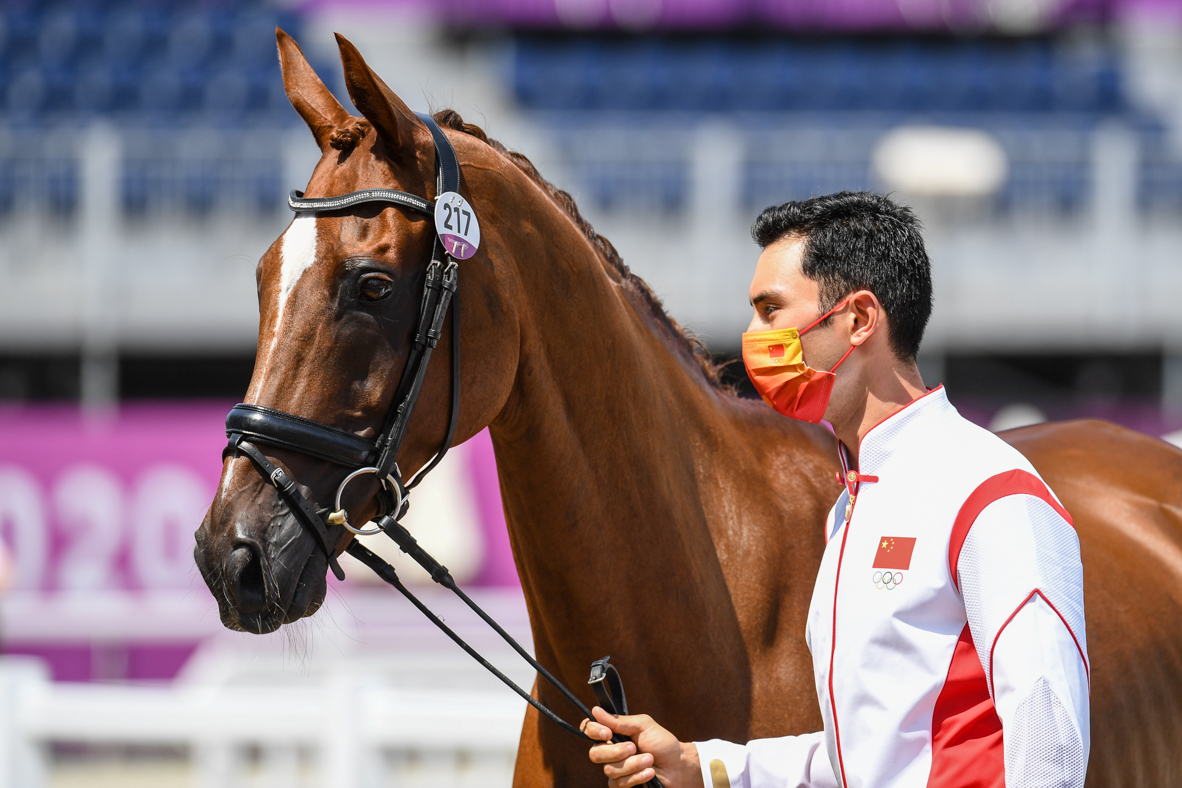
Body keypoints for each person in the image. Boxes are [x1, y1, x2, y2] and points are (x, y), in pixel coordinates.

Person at [583, 192, 1089, 788]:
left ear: (858, 319)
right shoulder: (850, 506)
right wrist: (702, 765)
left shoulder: (991, 494)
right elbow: (863, 758)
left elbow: (1050, 739)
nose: (751, 336)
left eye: (770, 310)